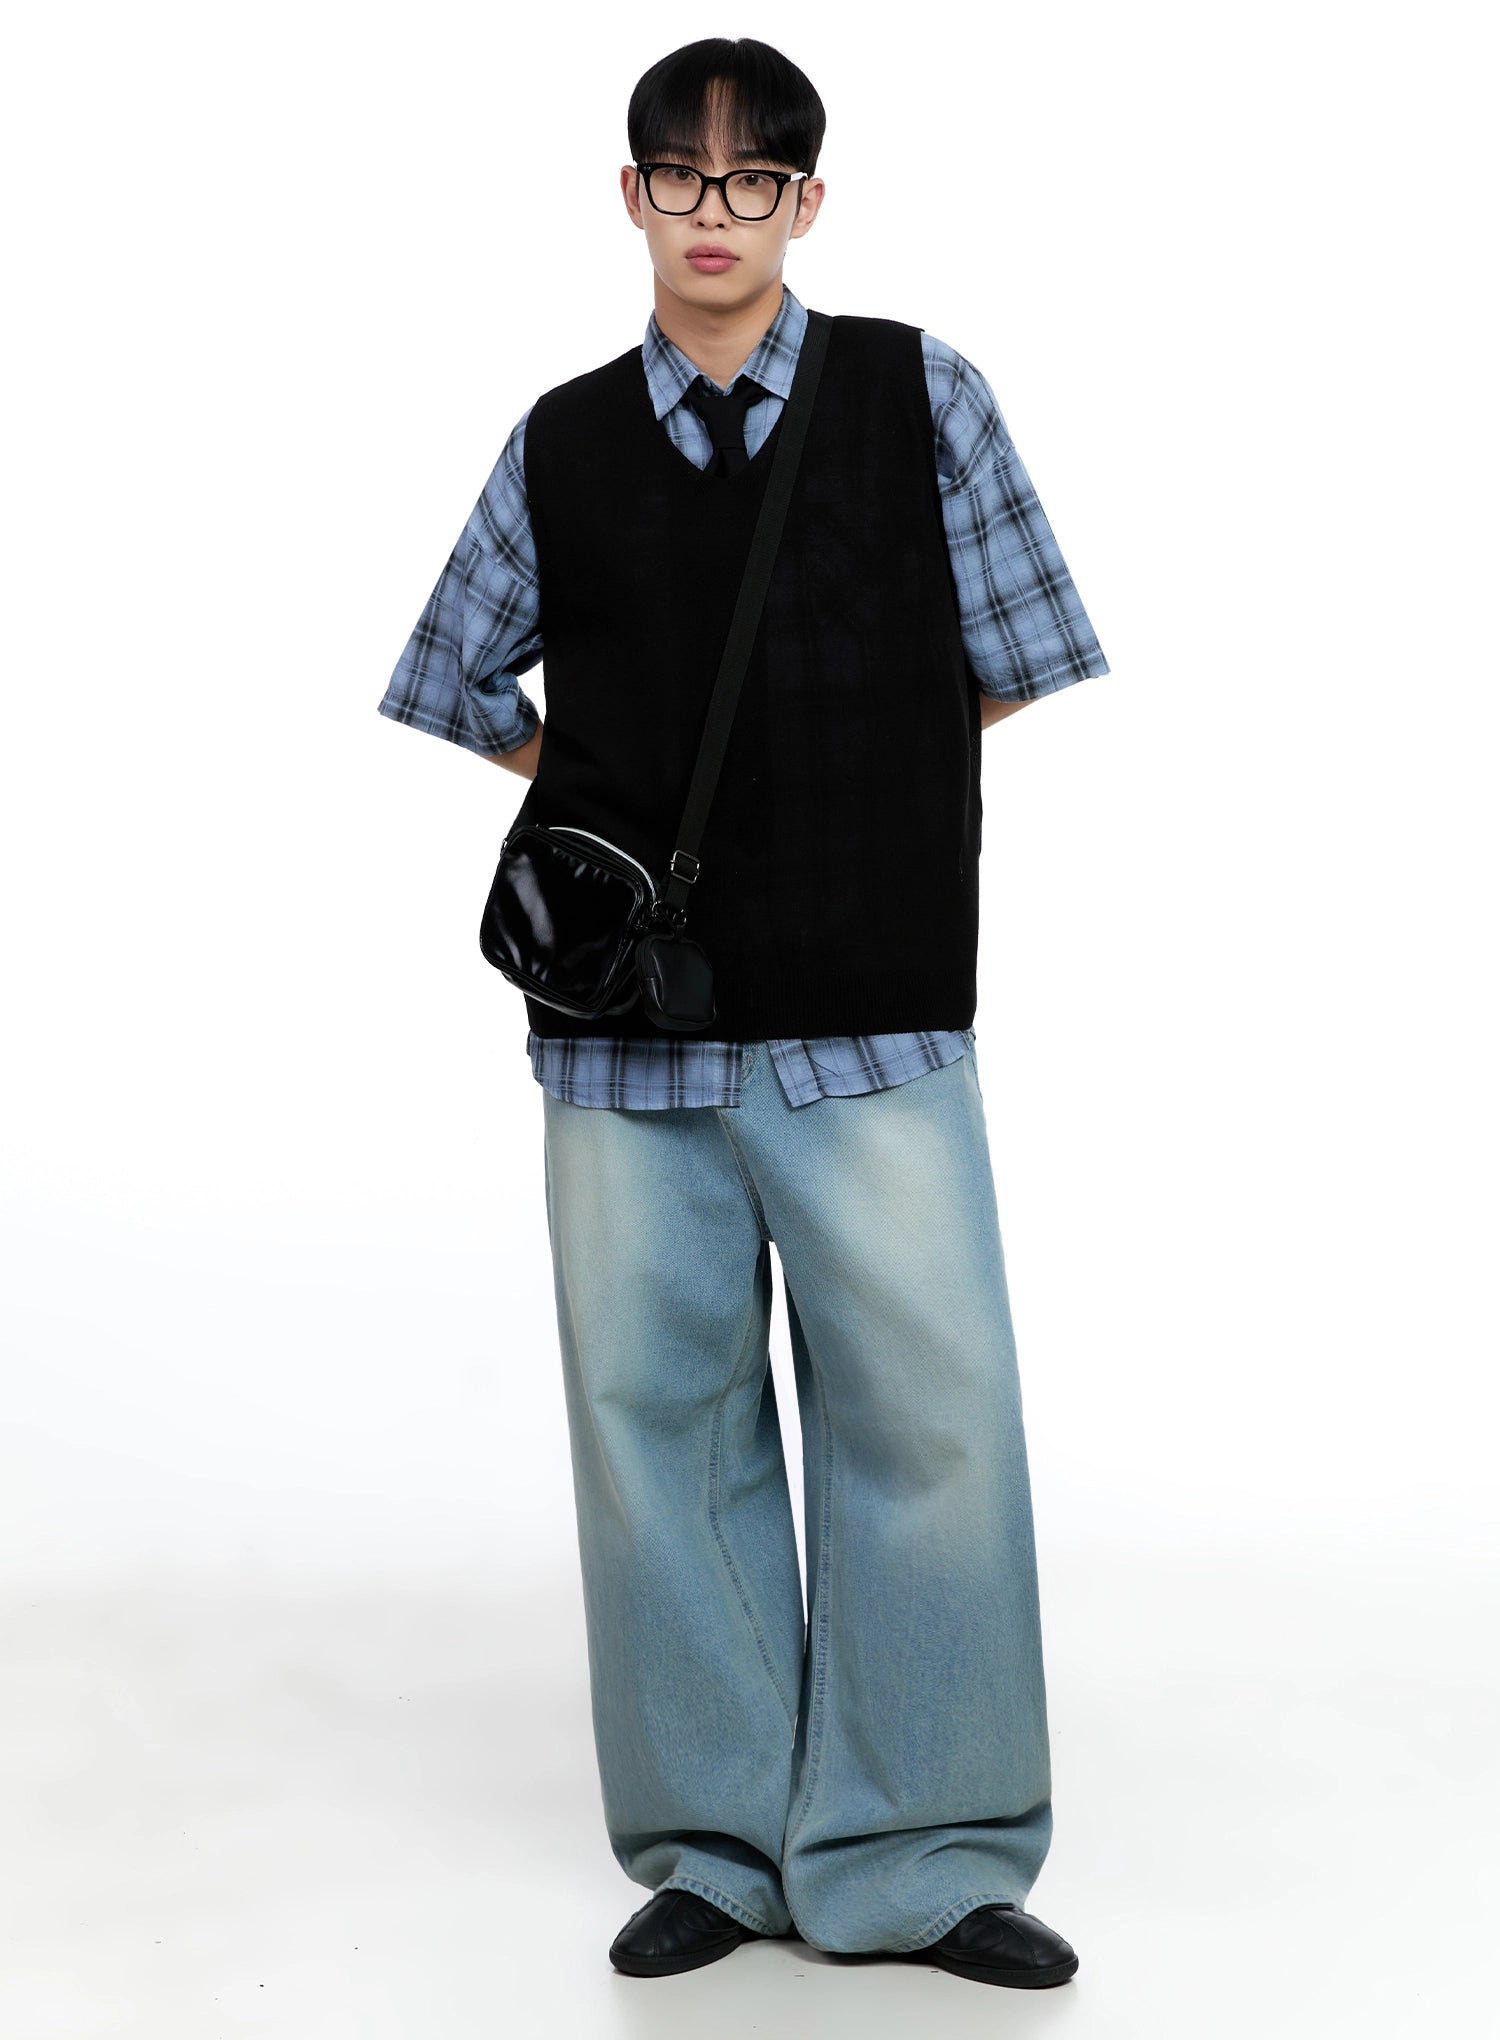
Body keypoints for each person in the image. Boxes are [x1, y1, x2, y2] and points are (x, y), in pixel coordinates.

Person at [378, 36, 1109, 1991]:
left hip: (877, 1013)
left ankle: (924, 1857)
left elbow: (1021, 653)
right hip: (624, 1035)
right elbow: (451, 675)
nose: (717, 212)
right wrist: (600, 802)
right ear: (629, 198)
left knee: (930, 1429)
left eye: (754, 178)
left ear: (809, 200)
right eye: (682, 178)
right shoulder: (559, 441)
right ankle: (715, 1844)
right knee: (658, 1426)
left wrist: (850, 783)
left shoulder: (920, 395)